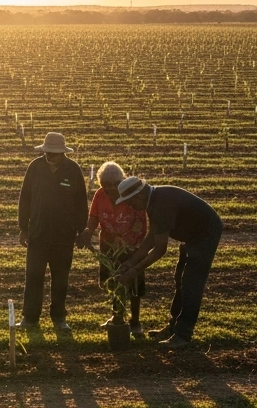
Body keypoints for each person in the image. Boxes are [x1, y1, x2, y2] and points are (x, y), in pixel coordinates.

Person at [113, 176, 223, 349]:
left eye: (129, 202)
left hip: (204, 235)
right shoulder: (154, 199)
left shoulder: (161, 204)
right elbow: (153, 236)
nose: (129, 206)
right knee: (180, 279)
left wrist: (134, 271)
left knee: (191, 283)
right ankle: (174, 326)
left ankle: (182, 335)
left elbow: (159, 250)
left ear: (139, 196)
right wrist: (130, 262)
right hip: (192, 235)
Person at [17, 132, 89, 332]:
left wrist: (81, 231)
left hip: (63, 236)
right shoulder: (35, 167)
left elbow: (81, 202)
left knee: (60, 279)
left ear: (62, 153)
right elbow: (25, 199)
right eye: (48, 152)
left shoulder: (73, 170)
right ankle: (30, 318)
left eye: (54, 153)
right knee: (33, 276)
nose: (50, 156)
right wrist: (23, 228)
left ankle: (59, 317)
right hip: (38, 233)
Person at [79, 161, 148, 338]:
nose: (109, 189)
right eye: (105, 185)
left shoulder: (132, 195)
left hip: (132, 244)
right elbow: (94, 217)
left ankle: (135, 321)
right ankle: (117, 316)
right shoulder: (100, 195)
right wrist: (88, 231)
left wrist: (126, 241)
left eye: (113, 185)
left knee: (132, 281)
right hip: (108, 243)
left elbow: (140, 221)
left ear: (121, 181)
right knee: (113, 280)